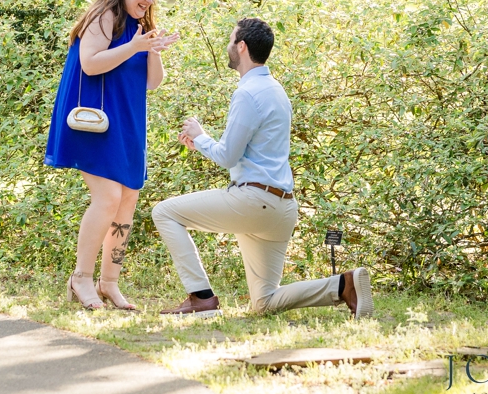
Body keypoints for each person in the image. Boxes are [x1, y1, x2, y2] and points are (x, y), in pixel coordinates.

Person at [151, 17, 373, 319]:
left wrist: (200, 135)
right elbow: (249, 152)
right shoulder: (275, 89)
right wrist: (203, 143)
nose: (228, 46)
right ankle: (342, 286)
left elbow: (229, 156)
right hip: (282, 207)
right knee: (264, 302)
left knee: (164, 212)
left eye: (231, 41)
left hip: (254, 202)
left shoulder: (247, 93)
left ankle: (201, 298)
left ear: (241, 47)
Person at [45, 0, 179, 310]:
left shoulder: (140, 27)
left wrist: (151, 49)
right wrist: (134, 47)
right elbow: (90, 64)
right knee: (107, 199)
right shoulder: (104, 17)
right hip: (95, 122)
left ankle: (110, 283)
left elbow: (152, 83)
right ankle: (81, 279)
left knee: (127, 202)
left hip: (128, 122)